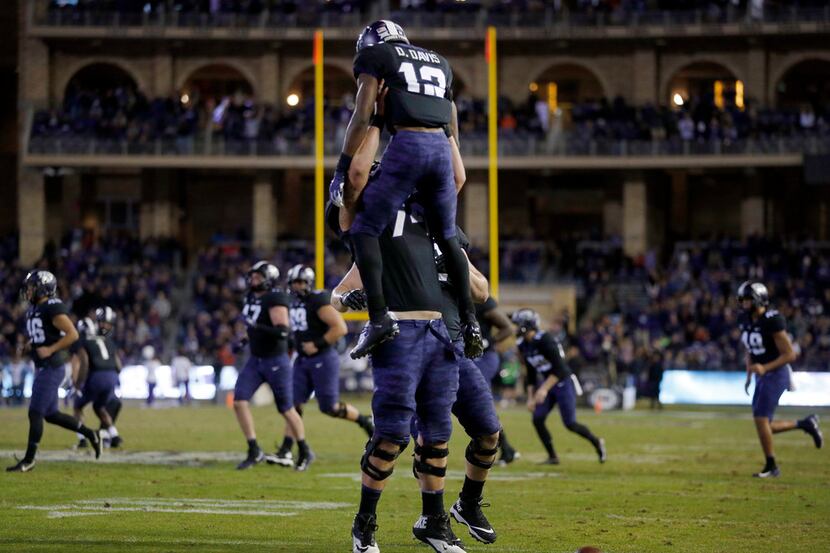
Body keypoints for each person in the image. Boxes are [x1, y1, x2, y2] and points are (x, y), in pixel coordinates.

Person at [329, 19, 483, 361]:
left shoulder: (377, 56)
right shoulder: (439, 62)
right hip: (441, 151)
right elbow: (454, 148)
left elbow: (362, 113)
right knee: (448, 236)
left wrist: (341, 166)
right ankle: (473, 324)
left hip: (408, 145)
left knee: (365, 228)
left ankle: (380, 319)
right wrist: (446, 143)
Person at [270, 264, 374, 469]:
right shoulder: (293, 302)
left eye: (301, 282)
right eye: (294, 283)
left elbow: (340, 328)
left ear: (308, 282)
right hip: (302, 359)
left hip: (323, 359)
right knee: (293, 404)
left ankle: (364, 421)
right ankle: (287, 449)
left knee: (329, 407)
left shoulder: (318, 299)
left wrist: (316, 344)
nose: (298, 286)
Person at [7, 270, 101, 472]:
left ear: (43, 288)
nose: (29, 290)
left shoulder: (53, 306)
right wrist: (31, 345)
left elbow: (72, 334)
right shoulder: (35, 308)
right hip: (43, 367)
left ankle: (29, 460)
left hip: (52, 366)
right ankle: (91, 434)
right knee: (51, 414)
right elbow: (46, 335)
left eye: (33, 286)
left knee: (35, 413)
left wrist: (50, 349)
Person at [737, 281, 823, 478]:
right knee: (764, 423)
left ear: (759, 299)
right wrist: (749, 373)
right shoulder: (745, 319)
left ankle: (771, 466)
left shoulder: (772, 320)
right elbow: (751, 349)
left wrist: (764, 367)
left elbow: (790, 355)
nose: (744, 304)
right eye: (742, 299)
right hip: (761, 375)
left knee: (761, 419)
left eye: (748, 299)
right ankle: (805, 424)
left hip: (776, 373)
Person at [232, 261, 310, 471]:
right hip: (255, 359)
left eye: (258, 276)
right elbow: (251, 325)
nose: (254, 280)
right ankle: (254, 449)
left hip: (275, 360)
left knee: (286, 408)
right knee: (239, 401)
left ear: (269, 278)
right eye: (253, 276)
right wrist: (244, 340)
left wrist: (257, 328)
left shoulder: (276, 297)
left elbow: (283, 331)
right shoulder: (250, 297)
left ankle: (304, 449)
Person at [512, 309, 607, 465]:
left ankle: (597, 442)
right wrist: (530, 397)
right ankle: (552, 456)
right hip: (548, 384)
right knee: (537, 418)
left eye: (518, 324)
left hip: (562, 382)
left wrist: (543, 389)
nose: (516, 328)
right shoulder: (524, 344)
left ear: (527, 325)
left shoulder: (545, 339)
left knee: (570, 423)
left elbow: (560, 368)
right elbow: (531, 372)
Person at [474, 297, 521, 465]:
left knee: (480, 405)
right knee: (476, 408)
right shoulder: (453, 298)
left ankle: (504, 449)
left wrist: (487, 342)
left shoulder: (480, 300)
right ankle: (507, 449)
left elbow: (508, 328)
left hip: (483, 358)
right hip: (469, 358)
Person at [71, 307, 123, 449]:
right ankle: (115, 435)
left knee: (77, 406)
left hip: (97, 377)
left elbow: (84, 363)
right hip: (112, 376)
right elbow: (119, 365)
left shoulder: (84, 342)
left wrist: (78, 384)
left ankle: (82, 439)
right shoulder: (108, 341)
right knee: (99, 407)